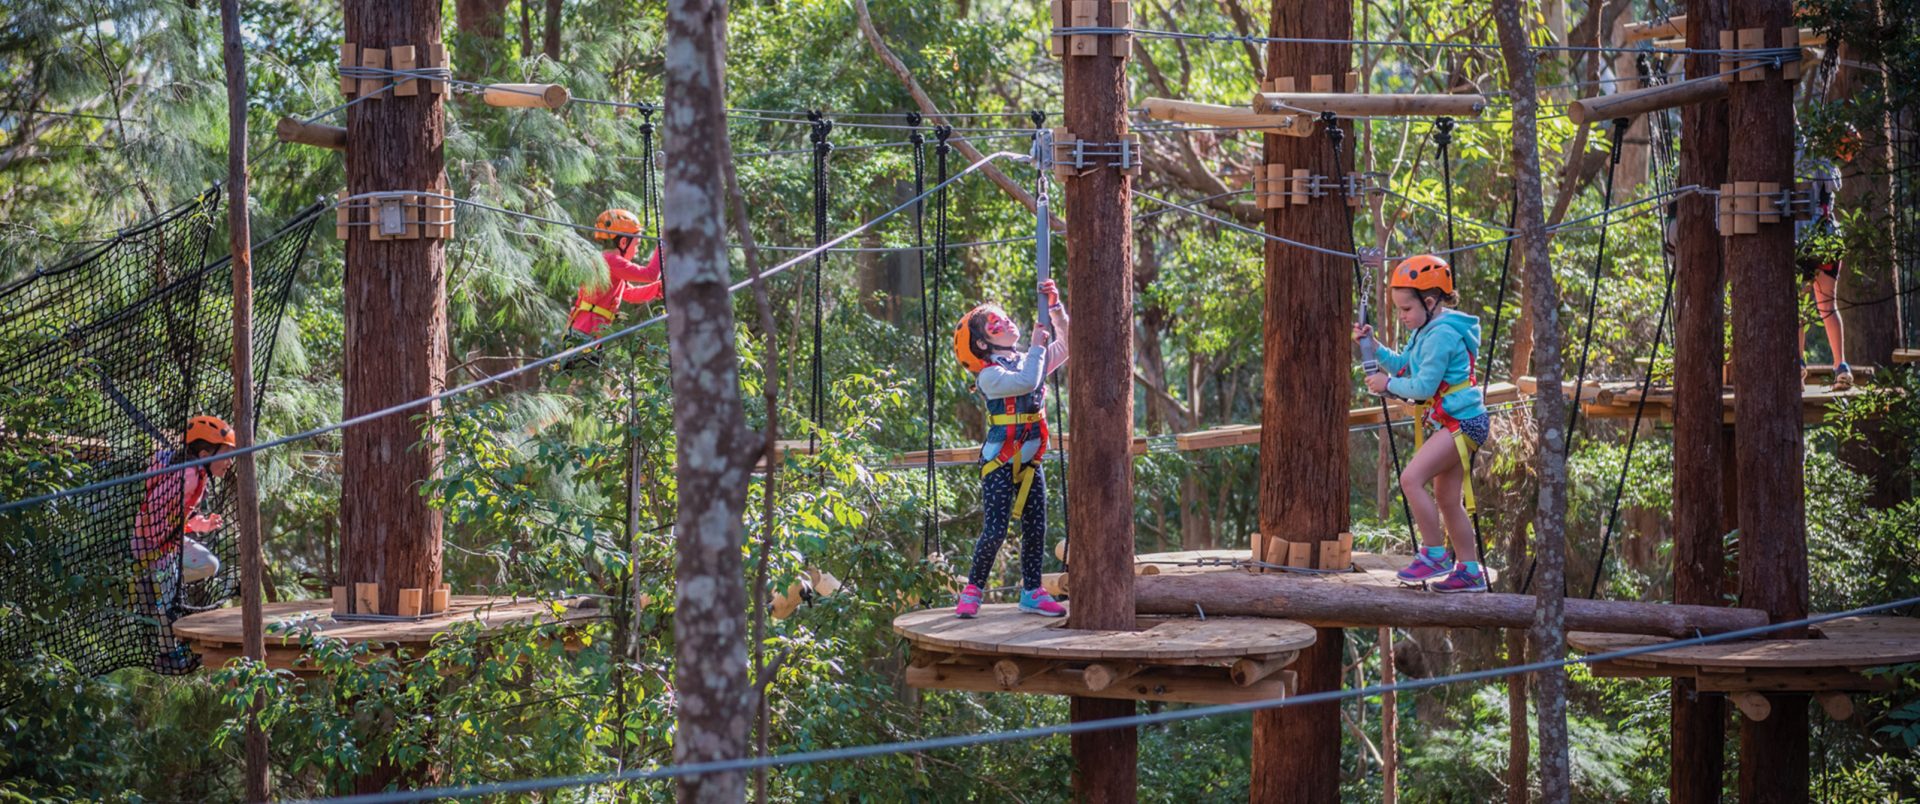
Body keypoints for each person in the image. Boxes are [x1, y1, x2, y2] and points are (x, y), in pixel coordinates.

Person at [1353, 255, 1490, 593]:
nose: (1401, 316)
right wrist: (1373, 347)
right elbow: (1403, 366)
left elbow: (1423, 387)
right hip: (1458, 420)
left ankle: (1434, 554)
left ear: (1429, 303)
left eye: (1406, 309)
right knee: (1446, 498)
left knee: (1411, 479)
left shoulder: (1441, 334)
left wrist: (1387, 386)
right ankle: (1470, 570)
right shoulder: (1427, 329)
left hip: (1463, 421)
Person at [952, 280, 1069, 618]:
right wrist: (1036, 344)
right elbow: (1027, 382)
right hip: (1000, 462)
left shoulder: (1027, 360)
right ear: (982, 343)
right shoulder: (990, 376)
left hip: (1031, 461)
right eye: (994, 323)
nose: (1004, 321)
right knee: (996, 529)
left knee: (1036, 526)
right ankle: (974, 589)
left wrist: (1056, 309)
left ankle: (1031, 590)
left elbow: (1069, 344)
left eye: (1003, 317)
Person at [132, 415, 235, 669]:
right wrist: (159, 552)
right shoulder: (188, 476)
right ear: (204, 453)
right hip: (152, 546)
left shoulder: (197, 474)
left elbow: (178, 515)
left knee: (209, 564)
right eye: (226, 454)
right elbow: (156, 510)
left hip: (169, 542)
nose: (230, 462)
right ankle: (168, 654)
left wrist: (201, 524)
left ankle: (157, 585)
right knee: (169, 603)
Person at [568, 208, 663, 347]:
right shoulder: (612, 261)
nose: (636, 251)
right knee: (582, 367)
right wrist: (663, 245)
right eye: (636, 245)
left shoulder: (607, 262)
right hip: (586, 331)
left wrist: (659, 287)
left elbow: (629, 294)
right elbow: (651, 275)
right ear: (623, 242)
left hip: (586, 331)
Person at [1796, 154, 1851, 391]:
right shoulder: (1829, 164)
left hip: (1804, 239)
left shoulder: (1797, 159)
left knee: (1799, 307)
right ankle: (1841, 366)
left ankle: (1797, 367)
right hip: (1830, 236)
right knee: (1828, 305)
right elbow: (1835, 185)